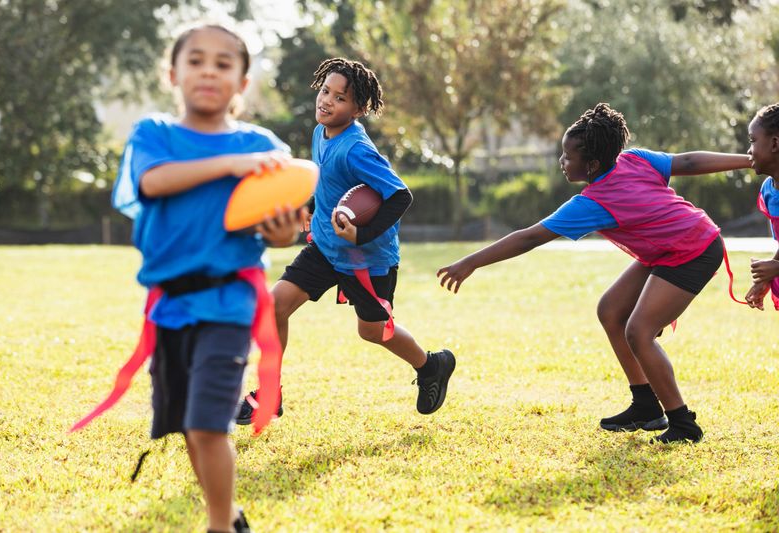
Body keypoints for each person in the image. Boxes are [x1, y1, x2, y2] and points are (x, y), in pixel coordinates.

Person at [437, 103, 751, 444]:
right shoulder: (635, 159)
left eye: (568, 156)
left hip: (695, 248)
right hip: (668, 247)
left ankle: (683, 423)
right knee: (611, 311)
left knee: (639, 331)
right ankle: (646, 406)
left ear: (592, 164)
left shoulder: (594, 202)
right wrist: (750, 160)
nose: (562, 162)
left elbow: (529, 237)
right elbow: (685, 162)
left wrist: (471, 262)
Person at [110, 24, 305, 533]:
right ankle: (231, 516)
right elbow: (153, 181)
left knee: (207, 422)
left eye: (224, 63)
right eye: (196, 60)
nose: (209, 71)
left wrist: (285, 233)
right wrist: (233, 165)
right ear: (173, 74)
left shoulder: (263, 146)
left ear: (241, 82)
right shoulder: (156, 135)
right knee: (188, 428)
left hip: (228, 304)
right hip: (170, 307)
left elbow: (280, 229)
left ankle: (220, 526)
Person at [236, 58, 455, 425]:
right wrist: (310, 206)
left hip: (368, 260)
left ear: (359, 109)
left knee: (373, 331)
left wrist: (362, 233)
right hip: (324, 247)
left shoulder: (357, 149)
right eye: (325, 91)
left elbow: (400, 196)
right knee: (273, 309)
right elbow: (327, 181)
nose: (327, 101)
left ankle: (432, 365)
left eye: (340, 98)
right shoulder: (320, 132)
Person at [745, 103, 779, 311]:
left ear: (775, 144)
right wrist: (765, 279)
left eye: (753, 141)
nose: (749, 150)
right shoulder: (768, 190)